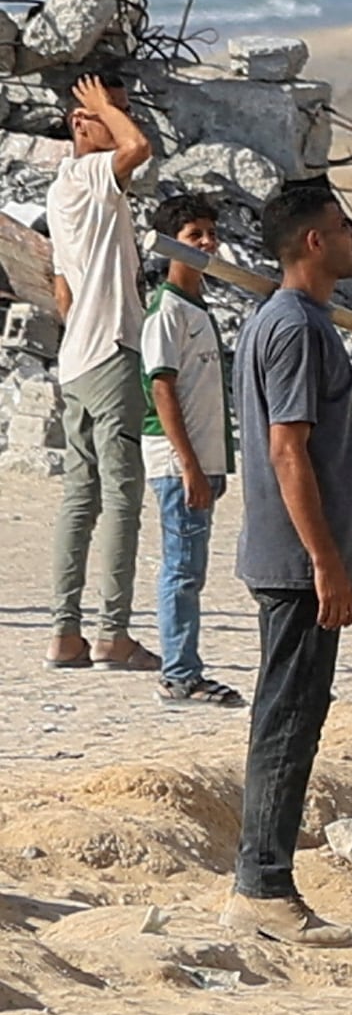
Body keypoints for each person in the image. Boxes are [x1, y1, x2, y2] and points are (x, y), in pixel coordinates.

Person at [233, 177, 352, 946]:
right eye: (341, 226)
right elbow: (287, 450)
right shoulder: (296, 325)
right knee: (288, 717)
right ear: (312, 240)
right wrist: (326, 563)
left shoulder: (293, 319)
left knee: (292, 711)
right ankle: (262, 886)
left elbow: (316, 422)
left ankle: (264, 879)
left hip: (291, 554)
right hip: (295, 558)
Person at [45, 72, 155, 669]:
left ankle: (65, 632)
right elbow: (138, 149)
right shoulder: (89, 173)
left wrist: (104, 111)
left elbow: (62, 292)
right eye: (107, 113)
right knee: (121, 497)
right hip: (110, 351)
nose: (118, 121)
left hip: (77, 358)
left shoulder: (61, 189)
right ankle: (112, 632)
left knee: (79, 498)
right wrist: (101, 108)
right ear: (77, 121)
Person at [138, 187, 241, 708]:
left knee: (191, 567)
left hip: (202, 460)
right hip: (180, 464)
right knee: (181, 568)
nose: (206, 244)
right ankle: (180, 674)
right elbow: (162, 388)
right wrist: (190, 466)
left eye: (210, 234)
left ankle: (185, 667)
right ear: (170, 245)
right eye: (193, 236)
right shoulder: (168, 312)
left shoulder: (197, 308)